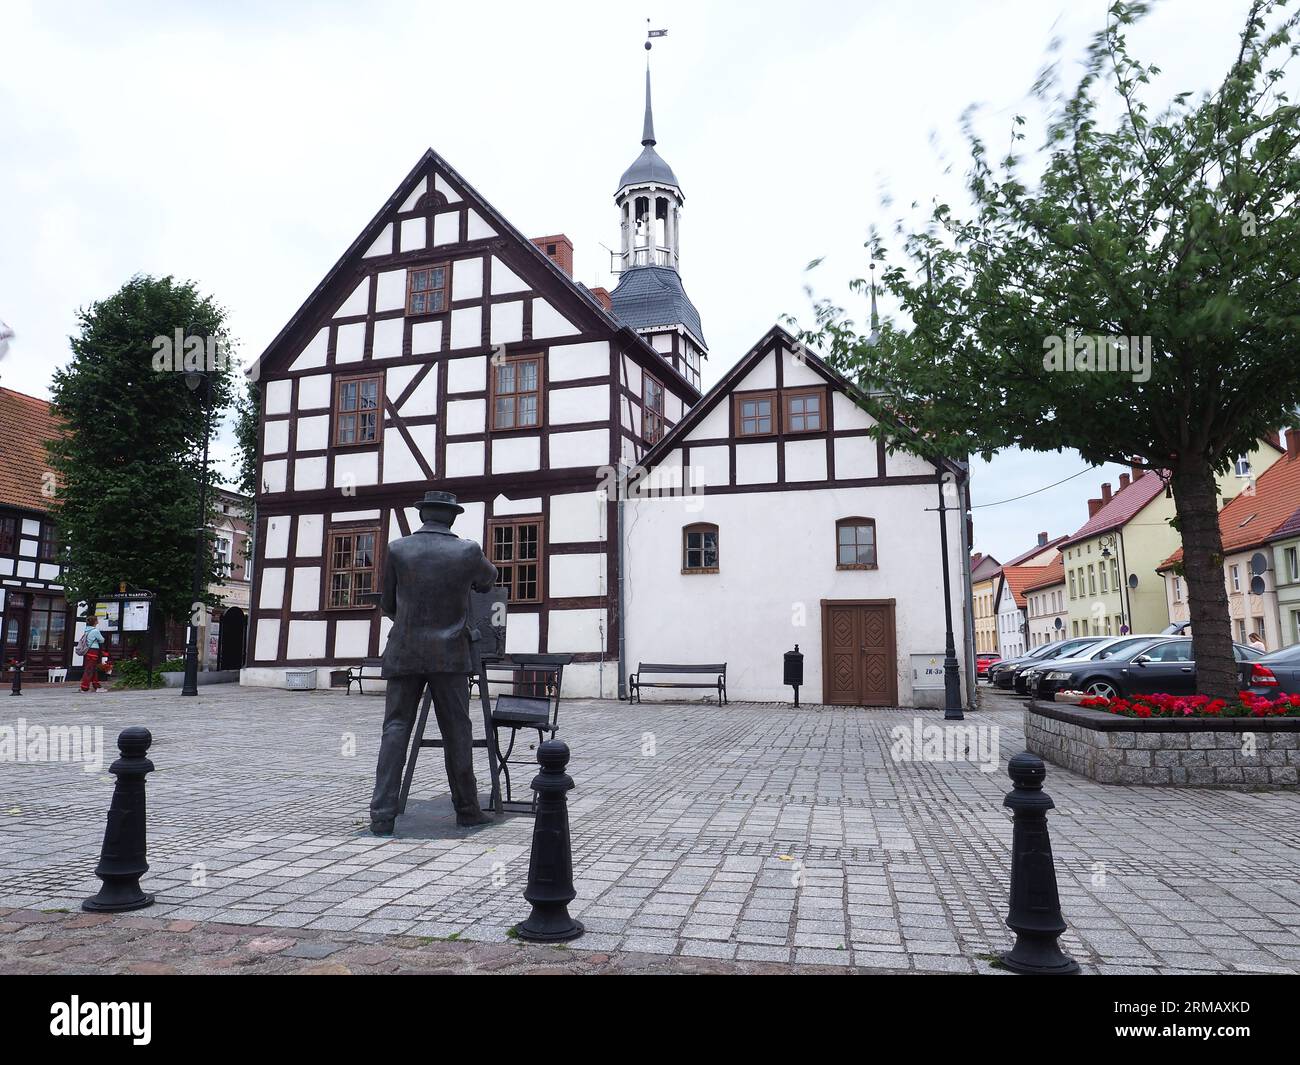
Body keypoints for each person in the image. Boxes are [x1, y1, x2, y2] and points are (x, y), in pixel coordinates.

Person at [369, 491, 497, 835]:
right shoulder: (468, 550)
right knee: (457, 731)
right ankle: (468, 810)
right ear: (452, 517)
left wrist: (410, 623)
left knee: (395, 729)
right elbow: (489, 580)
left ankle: (382, 814)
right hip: (450, 655)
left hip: (404, 651)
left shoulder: (398, 548)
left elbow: (387, 604)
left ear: (423, 514)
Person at [80, 616, 106, 692]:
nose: (98, 621)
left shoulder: (86, 630)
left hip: (88, 651)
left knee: (93, 669)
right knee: (89, 669)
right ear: (95, 622)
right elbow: (102, 640)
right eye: (97, 620)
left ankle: (96, 686)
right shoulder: (95, 631)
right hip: (93, 651)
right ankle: (84, 687)